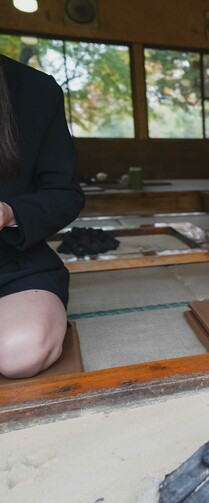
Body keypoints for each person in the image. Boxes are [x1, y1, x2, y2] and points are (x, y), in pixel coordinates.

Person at [0, 55, 85, 378]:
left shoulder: (33, 89)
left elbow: (64, 193)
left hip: (11, 264)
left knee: (22, 349)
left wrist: (10, 212)